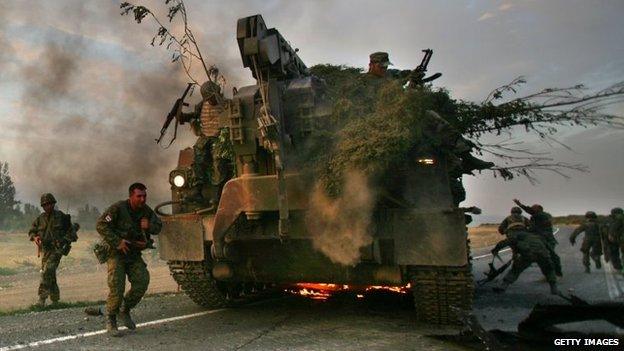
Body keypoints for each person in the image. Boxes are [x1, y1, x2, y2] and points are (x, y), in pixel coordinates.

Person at [96, 183, 162, 336]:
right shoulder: (119, 208)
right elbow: (101, 225)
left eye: (144, 196)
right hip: (116, 253)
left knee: (142, 281)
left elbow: (158, 227)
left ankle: (124, 310)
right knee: (117, 288)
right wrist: (117, 241)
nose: (142, 199)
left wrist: (149, 226)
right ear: (131, 196)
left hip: (133, 255)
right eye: (139, 196)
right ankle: (111, 319)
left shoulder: (146, 211)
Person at [28, 193, 75, 307]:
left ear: (53, 204)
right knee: (50, 273)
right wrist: (35, 237)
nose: (47, 206)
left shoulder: (62, 217)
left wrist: (64, 240)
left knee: (47, 271)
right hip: (45, 250)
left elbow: (72, 233)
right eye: (45, 205)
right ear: (42, 206)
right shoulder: (40, 219)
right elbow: (32, 231)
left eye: (49, 204)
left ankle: (41, 299)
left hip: (57, 249)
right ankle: (55, 300)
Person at [492, 221, 560, 295]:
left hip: (528, 255)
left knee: (516, 269)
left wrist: (495, 249)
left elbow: (506, 242)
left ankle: (503, 286)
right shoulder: (537, 236)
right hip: (543, 254)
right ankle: (554, 289)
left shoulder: (518, 235)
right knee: (549, 270)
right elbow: (549, 249)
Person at [513, 199, 562, 277]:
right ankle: (553, 274)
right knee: (547, 257)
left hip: (547, 240)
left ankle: (556, 273)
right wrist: (520, 205)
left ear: (539, 209)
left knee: (550, 256)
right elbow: (529, 211)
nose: (531, 210)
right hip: (541, 239)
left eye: (533, 208)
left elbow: (534, 226)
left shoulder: (541, 216)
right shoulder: (540, 215)